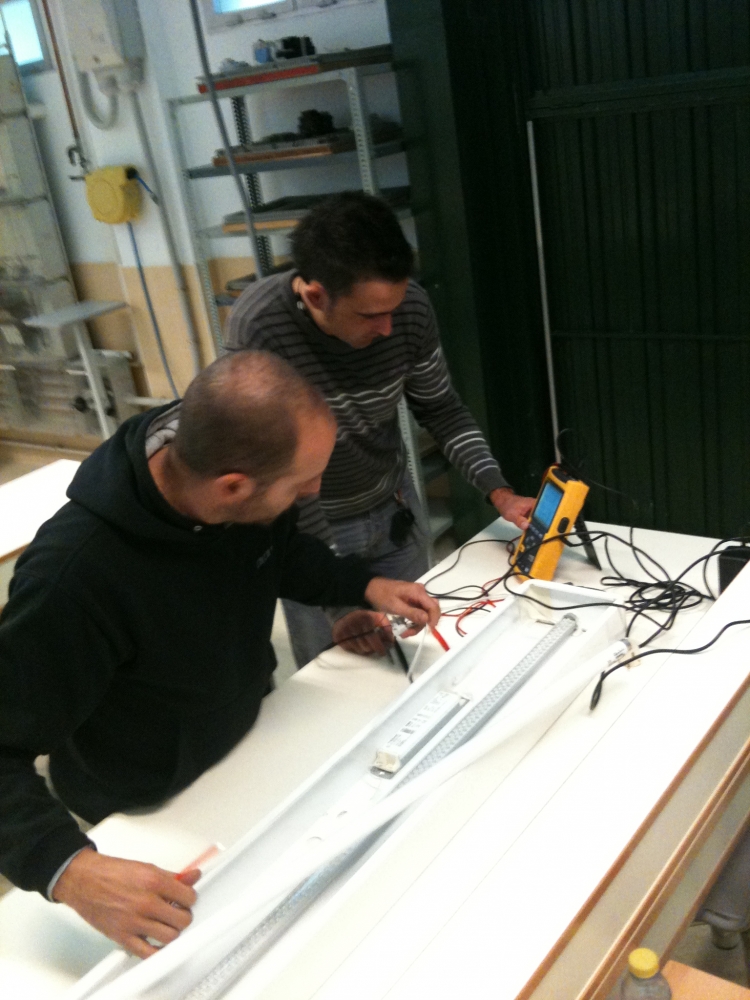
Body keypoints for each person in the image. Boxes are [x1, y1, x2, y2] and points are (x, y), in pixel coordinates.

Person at [0, 351, 439, 956]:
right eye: (302, 484)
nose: (314, 490)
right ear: (233, 486)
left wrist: (359, 585)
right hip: (147, 805)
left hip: (247, 749)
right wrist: (68, 870)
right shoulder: (72, 579)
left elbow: (278, 552)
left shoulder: (229, 471)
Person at [225, 191, 535, 666]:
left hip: (393, 513)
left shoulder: (410, 309)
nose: (389, 327)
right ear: (315, 296)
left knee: (417, 657)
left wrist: (499, 491)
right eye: (371, 315)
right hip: (309, 532)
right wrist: (339, 599)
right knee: (339, 675)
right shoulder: (260, 327)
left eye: (394, 307)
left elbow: (442, 409)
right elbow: (275, 472)